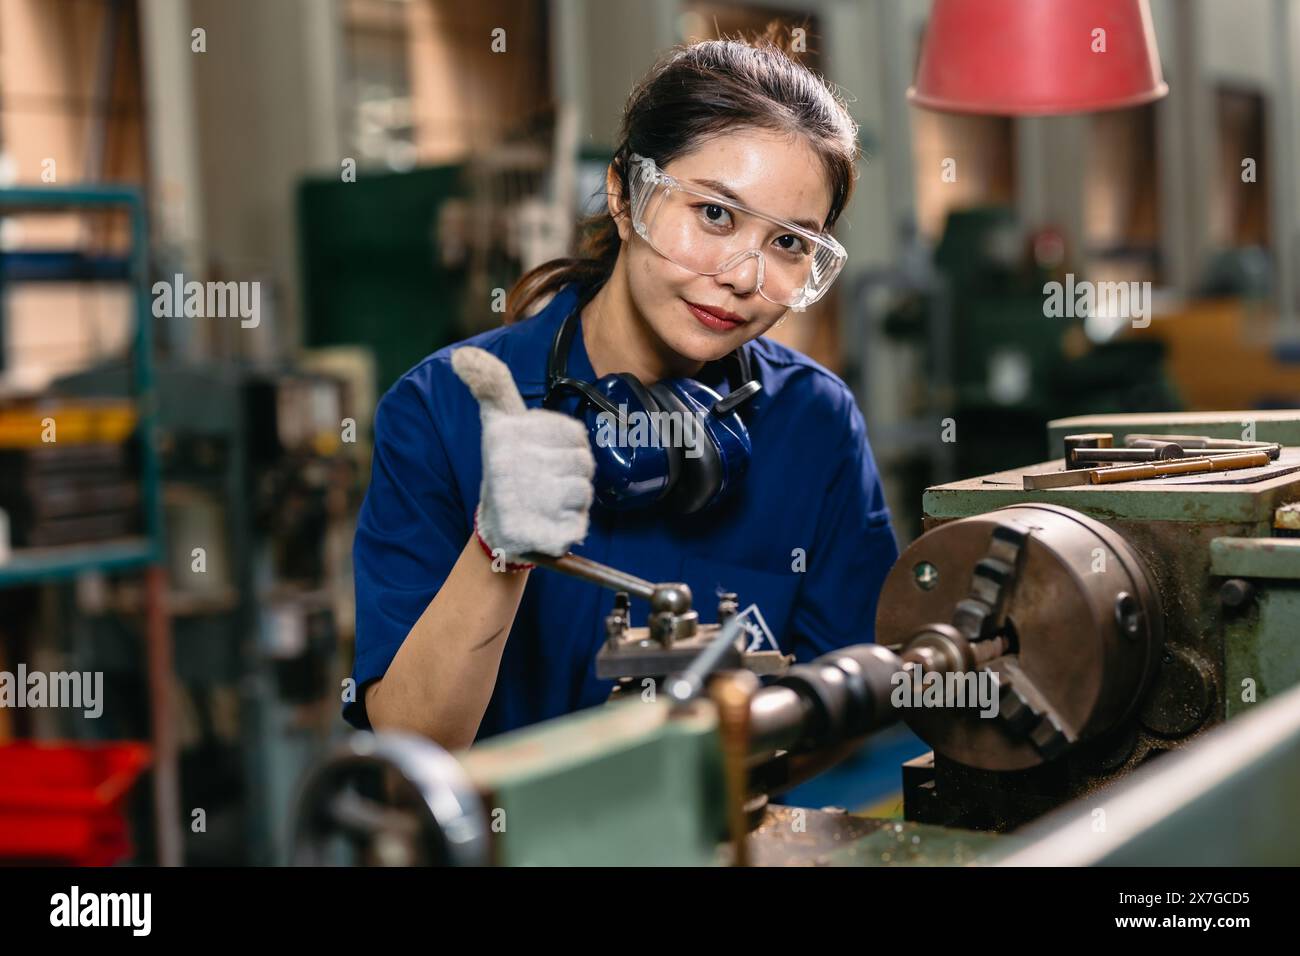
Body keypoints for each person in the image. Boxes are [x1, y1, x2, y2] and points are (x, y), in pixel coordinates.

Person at [345, 32, 899, 748]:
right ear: (624, 194)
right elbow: (412, 741)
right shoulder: (441, 411)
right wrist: (498, 550)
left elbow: (855, 711)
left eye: (789, 243)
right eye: (715, 214)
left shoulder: (813, 422)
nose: (742, 276)